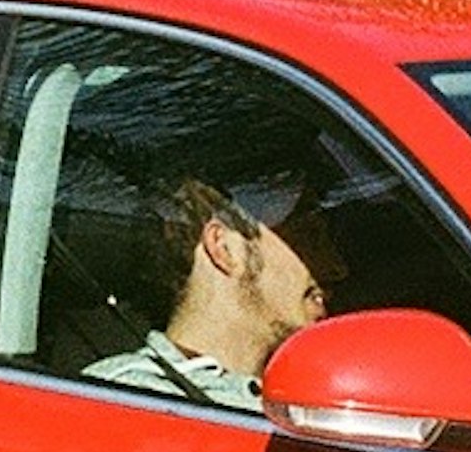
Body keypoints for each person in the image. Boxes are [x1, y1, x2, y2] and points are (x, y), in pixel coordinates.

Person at [82, 174, 338, 413]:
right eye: (308, 237)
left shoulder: (311, 400)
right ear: (224, 248)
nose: (337, 267)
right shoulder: (123, 400)